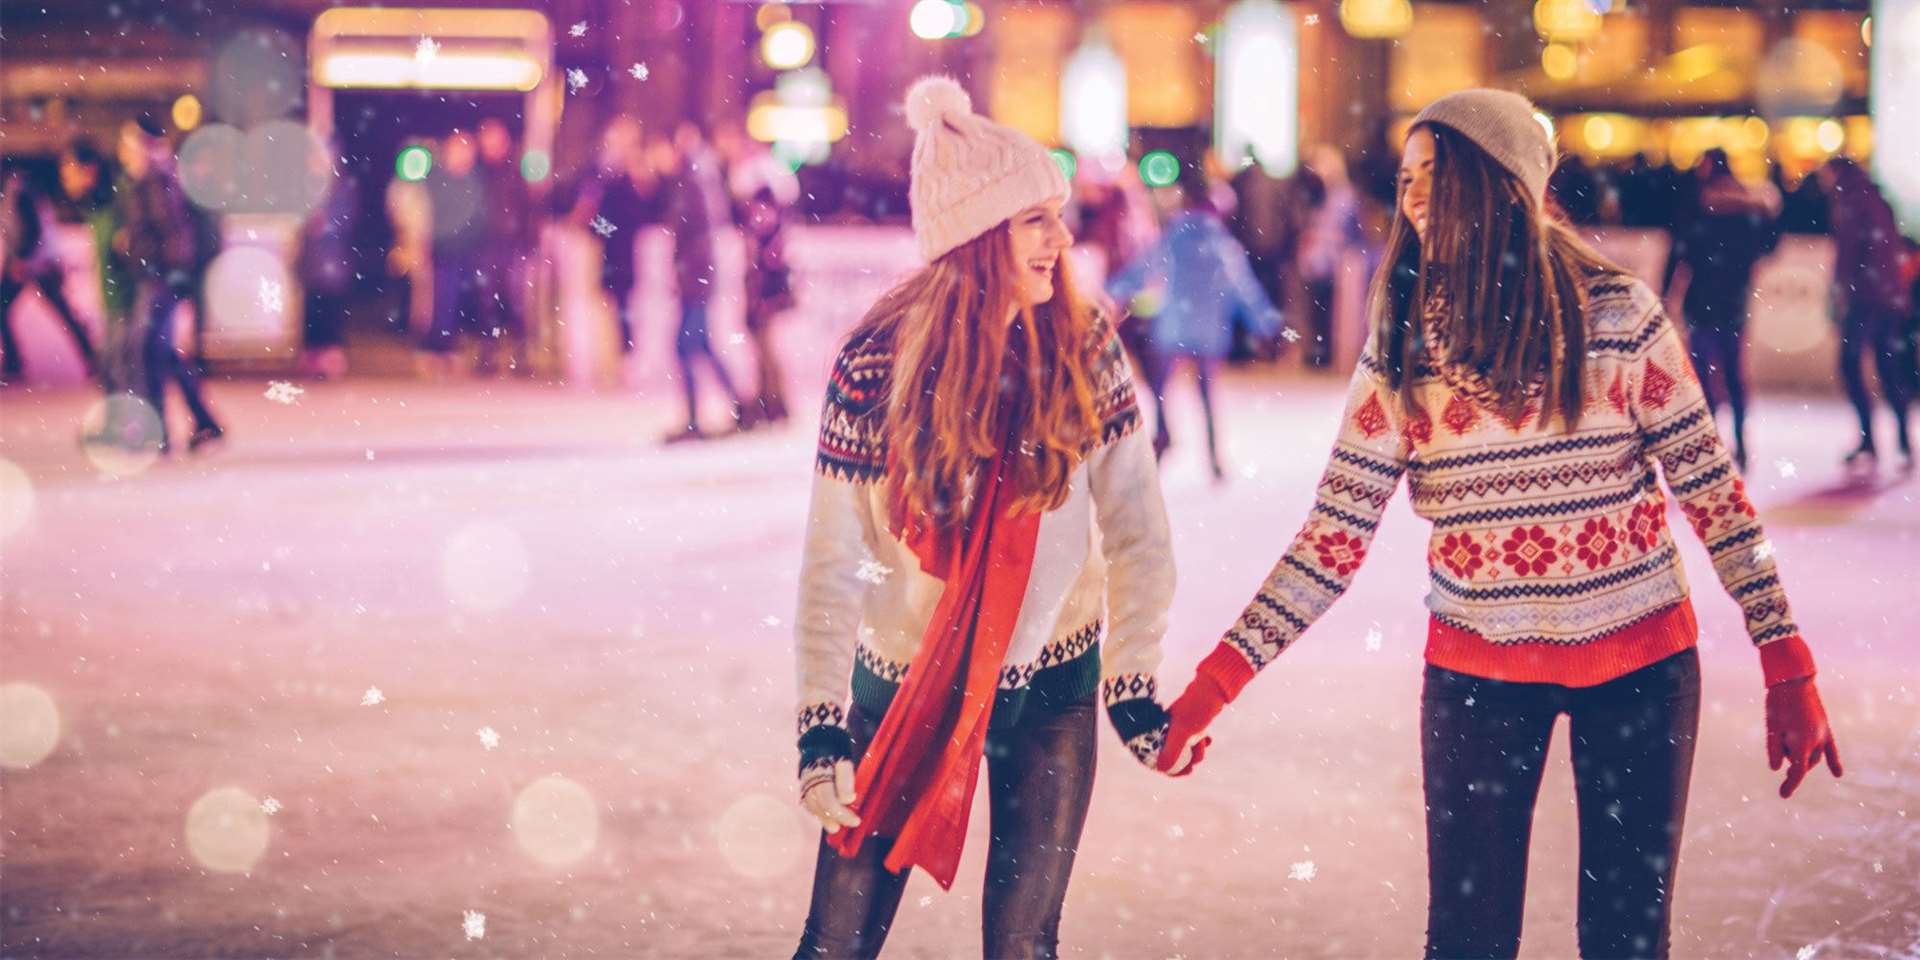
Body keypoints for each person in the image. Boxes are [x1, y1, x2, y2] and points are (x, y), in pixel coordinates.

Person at [1156, 90, 1840, 960]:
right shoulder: (1404, 347)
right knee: (1468, 941)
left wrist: (1787, 659)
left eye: (1437, 175)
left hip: (1640, 667)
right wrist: (1215, 683)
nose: (1414, 197)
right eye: (1406, 179)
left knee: (1626, 940)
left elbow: (1712, 494)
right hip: (1479, 676)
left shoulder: (1620, 316)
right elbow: (1332, 540)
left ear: (1504, 182)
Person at [792, 76, 1190, 959]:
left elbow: (1136, 530)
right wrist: (821, 720)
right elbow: (834, 555)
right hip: (905, 684)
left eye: (1058, 213)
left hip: (1051, 690)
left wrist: (1130, 676)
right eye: (1033, 220)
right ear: (975, 237)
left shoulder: (1084, 347)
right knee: (836, 941)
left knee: (1024, 947)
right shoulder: (876, 363)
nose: (1061, 239)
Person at [1106, 163, 1282, 479]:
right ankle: (1213, 454)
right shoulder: (1224, 246)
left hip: (1173, 325)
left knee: (1160, 388)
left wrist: (1112, 290)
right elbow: (1245, 290)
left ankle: (1163, 435)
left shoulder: (1175, 237)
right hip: (1208, 330)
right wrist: (1266, 322)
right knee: (1205, 393)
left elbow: (1143, 267)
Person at [1659, 148, 1782, 471]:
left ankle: (1712, 440)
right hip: (1731, 302)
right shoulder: (1746, 209)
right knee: (1731, 371)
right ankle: (1739, 441)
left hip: (1702, 301)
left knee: (1703, 373)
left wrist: (1667, 294)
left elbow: (1679, 254)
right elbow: (1768, 247)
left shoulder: (1698, 205)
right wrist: (1766, 209)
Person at [115, 115, 224, 454]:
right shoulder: (158, 177)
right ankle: (202, 422)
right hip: (161, 277)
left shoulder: (155, 179)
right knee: (160, 353)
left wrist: (152, 265)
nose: (123, 152)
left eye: (128, 144)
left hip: (158, 278)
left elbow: (171, 233)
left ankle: (159, 432)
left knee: (144, 351)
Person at [1819, 156, 1914, 471]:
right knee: (1888, 367)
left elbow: (1849, 256)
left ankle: (1869, 438)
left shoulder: (1850, 202)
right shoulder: (1876, 200)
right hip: (1887, 298)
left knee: (1851, 365)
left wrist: (1840, 293)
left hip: (1865, 299)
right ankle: (1901, 440)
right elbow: (1891, 248)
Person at [660, 122, 746, 443]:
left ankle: (702, 416)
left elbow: (697, 234)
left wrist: (687, 274)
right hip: (697, 276)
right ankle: (738, 405)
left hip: (696, 278)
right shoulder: (699, 175)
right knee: (700, 345)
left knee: (686, 346)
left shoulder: (694, 177)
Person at [568, 117, 663, 359]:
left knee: (627, 301)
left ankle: (626, 352)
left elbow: (648, 207)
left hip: (630, 247)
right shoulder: (601, 172)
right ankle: (612, 353)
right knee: (610, 300)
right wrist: (603, 230)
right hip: (610, 247)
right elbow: (591, 210)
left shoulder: (637, 170)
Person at [1, 162, 99, 385]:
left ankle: (15, 362)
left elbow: (28, 227)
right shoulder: (23, 187)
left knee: (4, 308)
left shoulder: (17, 190)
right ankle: (91, 356)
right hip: (39, 261)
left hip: (31, 263)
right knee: (62, 311)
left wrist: (21, 259)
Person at [730, 146, 801, 425]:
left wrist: (760, 291)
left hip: (766, 287)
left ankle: (773, 401)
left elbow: (764, 255)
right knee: (764, 343)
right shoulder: (775, 213)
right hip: (768, 285)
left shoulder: (764, 213)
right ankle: (770, 400)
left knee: (764, 343)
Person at [417, 130, 489, 378]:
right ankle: (436, 346)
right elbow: (430, 213)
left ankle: (454, 344)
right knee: (440, 300)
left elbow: (479, 213)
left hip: (469, 250)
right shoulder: (436, 180)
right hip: (442, 250)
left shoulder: (474, 180)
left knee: (462, 300)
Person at [1288, 146, 1363, 369]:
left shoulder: (1344, 196)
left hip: (1332, 261)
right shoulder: (1318, 193)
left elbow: (1350, 230)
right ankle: (1317, 351)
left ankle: (1325, 352)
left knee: (1327, 308)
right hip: (1316, 260)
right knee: (1315, 307)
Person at [475, 118, 532, 375]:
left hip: (513, 243)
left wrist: (527, 240)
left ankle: (520, 354)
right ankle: (489, 351)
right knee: (488, 301)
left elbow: (528, 208)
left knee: (515, 299)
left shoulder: (515, 170)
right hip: (486, 242)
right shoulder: (479, 172)